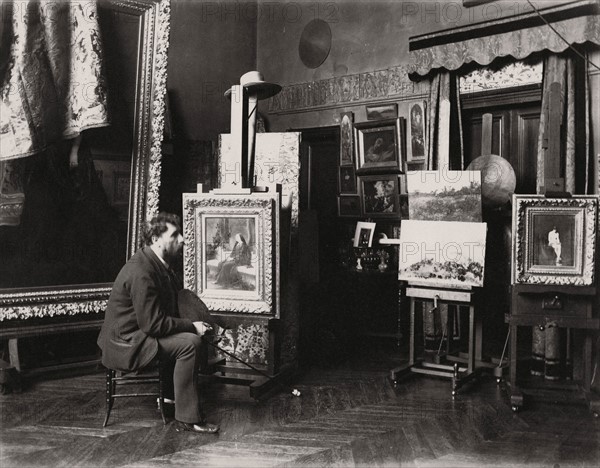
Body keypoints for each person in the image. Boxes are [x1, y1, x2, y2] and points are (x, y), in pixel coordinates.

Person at [97, 212, 219, 434]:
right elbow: (153, 325)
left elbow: (165, 310)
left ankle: (170, 399)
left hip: (136, 333)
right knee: (189, 344)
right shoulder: (142, 271)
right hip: (127, 343)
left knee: (187, 338)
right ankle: (188, 418)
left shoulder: (155, 263)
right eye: (174, 235)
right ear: (155, 240)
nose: (182, 239)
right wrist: (192, 326)